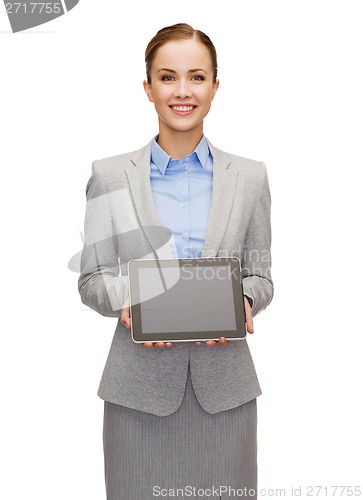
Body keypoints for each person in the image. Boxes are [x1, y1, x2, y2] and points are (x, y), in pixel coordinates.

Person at [78, 22, 273, 500]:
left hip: (224, 393)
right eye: (167, 77)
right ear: (148, 88)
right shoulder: (109, 176)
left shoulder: (249, 177)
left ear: (215, 87)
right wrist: (131, 299)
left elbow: (261, 275)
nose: (182, 91)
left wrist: (242, 299)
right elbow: (91, 279)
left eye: (197, 77)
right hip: (137, 395)